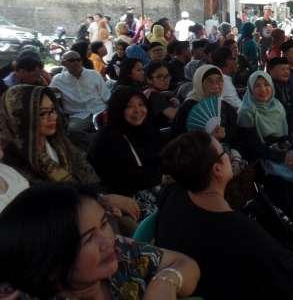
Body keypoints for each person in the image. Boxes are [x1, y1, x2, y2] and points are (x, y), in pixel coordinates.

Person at [156, 131, 293, 299]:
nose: (229, 155)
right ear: (217, 169)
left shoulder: (172, 194)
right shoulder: (240, 231)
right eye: (224, 152)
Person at [0, 184, 200, 300]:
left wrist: (166, 281)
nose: (107, 242)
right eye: (87, 239)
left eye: (104, 223)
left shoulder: (121, 252)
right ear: (48, 260)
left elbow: (187, 264)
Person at [0, 85, 139, 220]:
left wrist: (102, 200)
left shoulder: (60, 142)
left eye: (53, 110)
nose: (53, 117)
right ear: (19, 118)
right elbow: (49, 205)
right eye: (42, 113)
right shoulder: (13, 162)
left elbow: (87, 176)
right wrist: (101, 201)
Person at [88, 87, 162, 216]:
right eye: (129, 106)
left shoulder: (148, 130)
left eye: (141, 104)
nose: (137, 110)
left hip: (155, 187)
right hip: (126, 200)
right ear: (118, 109)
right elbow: (115, 182)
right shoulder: (106, 140)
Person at [237, 71, 293, 215]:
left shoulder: (277, 105)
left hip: (280, 150)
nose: (263, 89)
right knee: (281, 182)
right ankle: (284, 219)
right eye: (257, 86)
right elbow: (254, 147)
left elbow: (287, 134)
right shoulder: (246, 112)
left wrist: (286, 146)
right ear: (251, 89)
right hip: (260, 160)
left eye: (266, 84)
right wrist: (282, 156)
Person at [49, 51, 111, 134]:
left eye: (78, 60)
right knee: (72, 130)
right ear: (63, 63)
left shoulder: (94, 75)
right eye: (72, 60)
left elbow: (106, 96)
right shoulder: (58, 80)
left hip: (99, 110)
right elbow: (50, 95)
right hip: (78, 115)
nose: (76, 62)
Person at [267, 57, 293, 154]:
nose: (286, 72)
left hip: (291, 119)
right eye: (282, 69)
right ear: (271, 71)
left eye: (288, 69)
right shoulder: (267, 88)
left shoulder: (287, 84)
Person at [172, 65, 228, 137]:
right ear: (199, 84)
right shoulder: (188, 107)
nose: (216, 86)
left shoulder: (225, 106)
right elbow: (179, 138)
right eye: (209, 81)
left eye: (219, 80)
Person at [143, 61, 178, 129]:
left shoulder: (148, 91)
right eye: (159, 77)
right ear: (149, 80)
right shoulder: (154, 96)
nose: (165, 80)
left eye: (167, 76)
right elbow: (176, 116)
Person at [210, 46, 242, 110]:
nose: (237, 62)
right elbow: (240, 109)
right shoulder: (223, 81)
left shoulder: (220, 77)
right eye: (234, 58)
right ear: (228, 61)